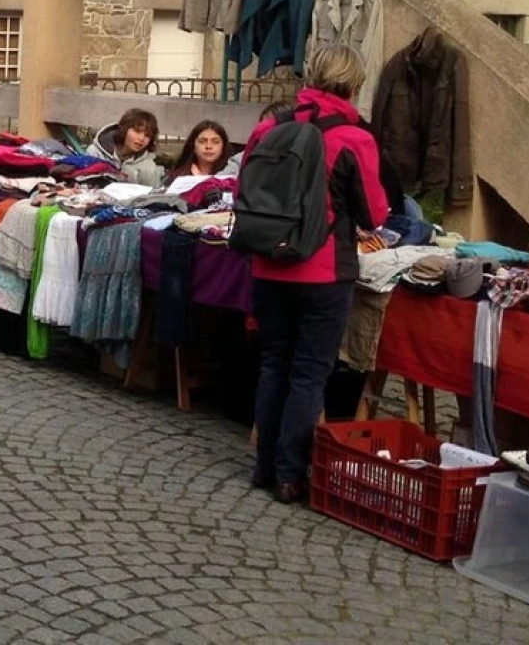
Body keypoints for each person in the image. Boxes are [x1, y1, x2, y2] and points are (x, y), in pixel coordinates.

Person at [243, 45, 389, 505]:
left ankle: (264, 467)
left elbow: (244, 187)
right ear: (352, 84)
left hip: (268, 263)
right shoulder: (354, 137)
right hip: (324, 270)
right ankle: (291, 474)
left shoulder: (269, 127)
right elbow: (374, 214)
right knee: (309, 373)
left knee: (273, 365)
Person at [87, 108, 164, 187]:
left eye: (147, 135)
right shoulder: (95, 153)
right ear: (125, 129)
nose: (141, 138)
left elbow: (152, 196)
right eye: (137, 131)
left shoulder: (148, 168)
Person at [165, 119, 233, 183]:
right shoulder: (177, 178)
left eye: (215, 142)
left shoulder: (231, 176)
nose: (208, 146)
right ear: (193, 146)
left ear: (223, 146)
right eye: (202, 141)